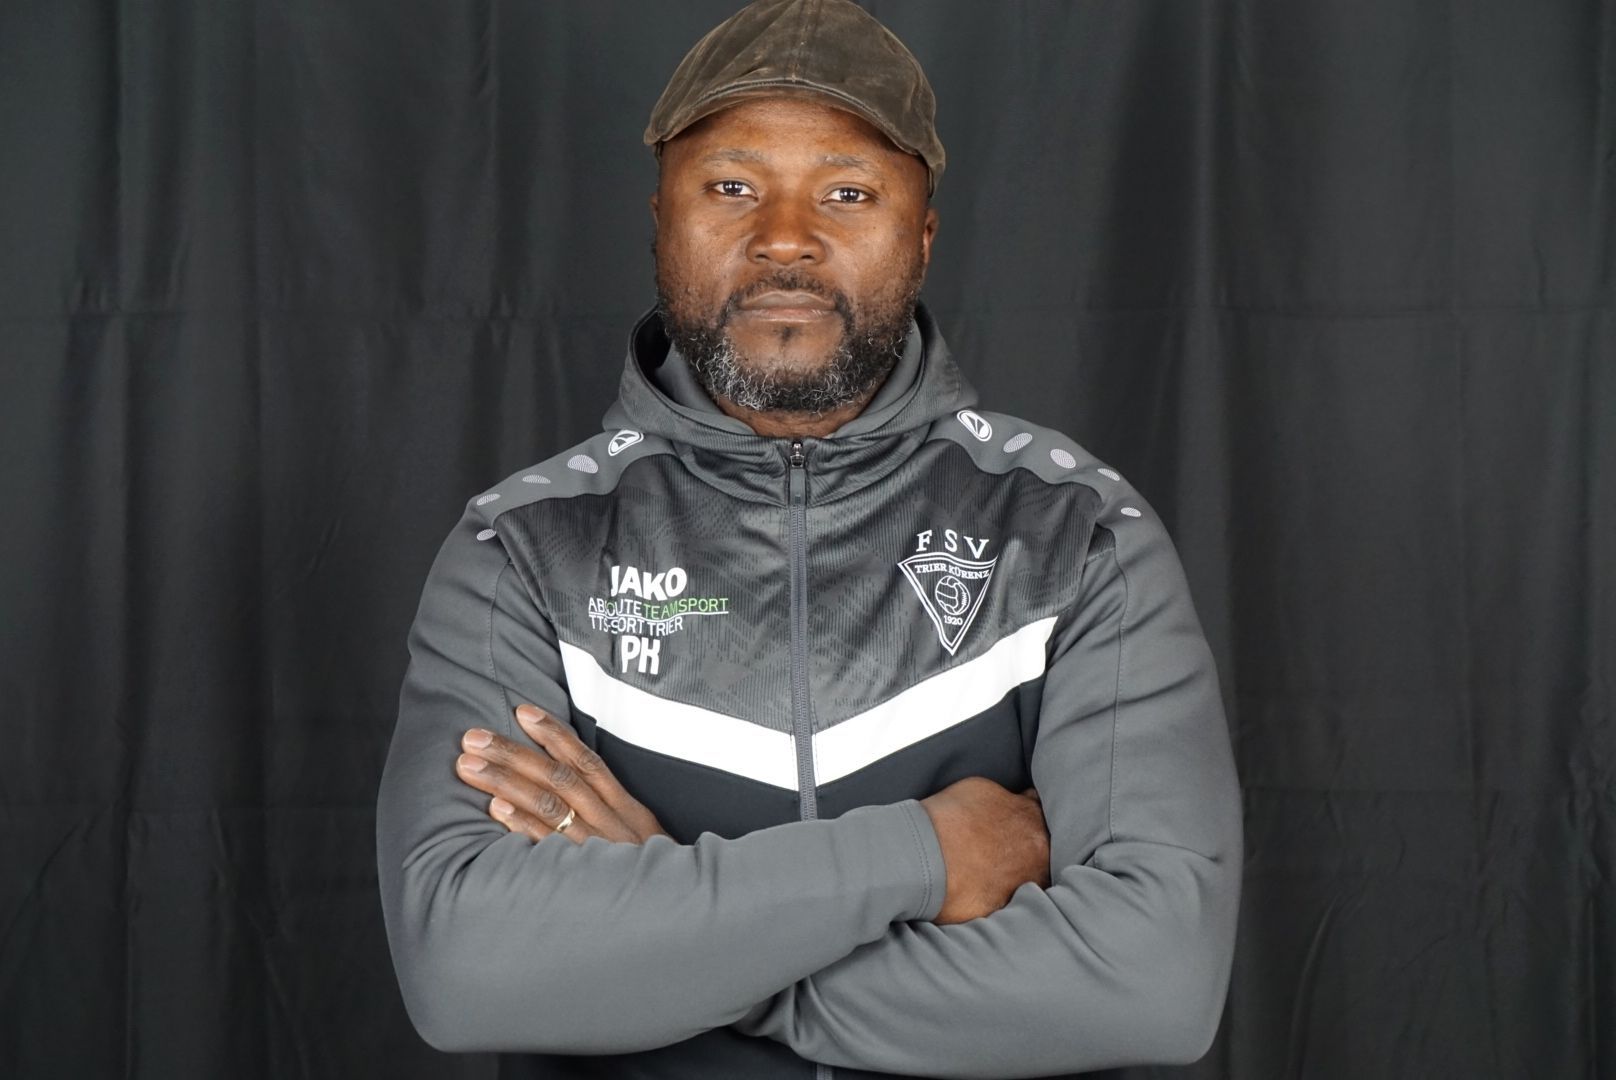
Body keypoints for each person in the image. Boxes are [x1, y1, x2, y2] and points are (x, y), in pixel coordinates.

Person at [375, 1, 1242, 1077]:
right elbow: (469, 971)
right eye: (731, 188)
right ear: (660, 220)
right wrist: (924, 853)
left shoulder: (1074, 535)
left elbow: (1151, 984)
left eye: (848, 192)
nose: (784, 238)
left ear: (922, 236)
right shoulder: (525, 549)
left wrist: (672, 936)